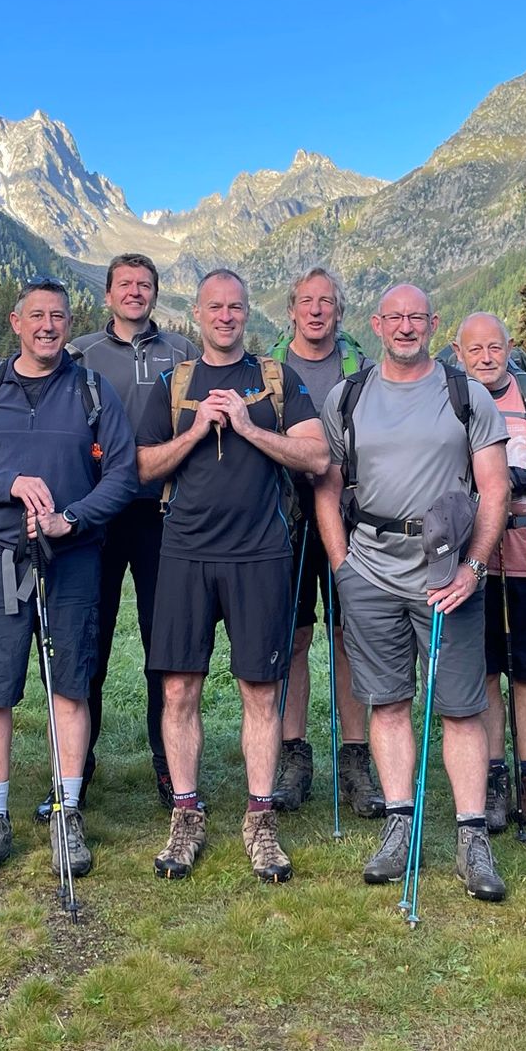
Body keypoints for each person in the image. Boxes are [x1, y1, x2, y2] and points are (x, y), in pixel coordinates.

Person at [0, 278, 139, 883]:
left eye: (59, 316)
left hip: (73, 560)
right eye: (36, 315)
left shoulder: (94, 391)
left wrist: (70, 518)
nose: (48, 325)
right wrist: (10, 484)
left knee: (71, 684)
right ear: (15, 321)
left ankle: (67, 812)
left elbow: (122, 477)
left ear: (71, 325)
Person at [312, 285, 512, 903]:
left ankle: (472, 835)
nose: (405, 327)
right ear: (375, 325)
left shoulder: (466, 395)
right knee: (389, 702)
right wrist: (342, 564)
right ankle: (401, 826)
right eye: (394, 317)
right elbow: (327, 486)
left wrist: (473, 570)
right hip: (368, 571)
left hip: (447, 575)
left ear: (433, 323)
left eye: (416, 317)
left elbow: (496, 490)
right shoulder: (346, 396)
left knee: (461, 707)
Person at [137, 268, 328, 883]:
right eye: (214, 307)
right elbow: (141, 467)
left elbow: (317, 455)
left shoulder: (276, 381)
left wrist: (248, 427)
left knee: (262, 692)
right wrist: (196, 431)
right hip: (185, 553)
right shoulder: (173, 384)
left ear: (249, 314)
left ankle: (261, 819)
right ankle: (186, 814)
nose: (225, 316)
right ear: (196, 314)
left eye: (236, 307)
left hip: (261, 554)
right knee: (177, 690)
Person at [65, 253, 198, 810]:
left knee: (162, 649)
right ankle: (77, 771)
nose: (135, 293)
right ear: (108, 295)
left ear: (155, 295)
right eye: (125, 284)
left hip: (160, 514)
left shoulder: (184, 353)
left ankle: (169, 769)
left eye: (145, 285)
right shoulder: (79, 354)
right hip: (95, 514)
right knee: (87, 645)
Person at [268, 267, 385, 818]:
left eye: (327, 303)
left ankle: (356, 756)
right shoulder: (268, 368)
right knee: (292, 637)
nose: (316, 310)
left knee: (349, 634)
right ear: (291, 311)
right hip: (283, 520)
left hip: (349, 517)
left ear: (340, 312)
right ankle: (293, 755)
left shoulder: (362, 367)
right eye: (306, 302)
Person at [453, 311, 526, 839]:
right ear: (459, 354)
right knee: (484, 674)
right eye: (475, 349)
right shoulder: (452, 399)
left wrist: (517, 480)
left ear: (509, 348)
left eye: (494, 347)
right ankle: (495, 780)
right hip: (475, 561)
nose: (485, 357)